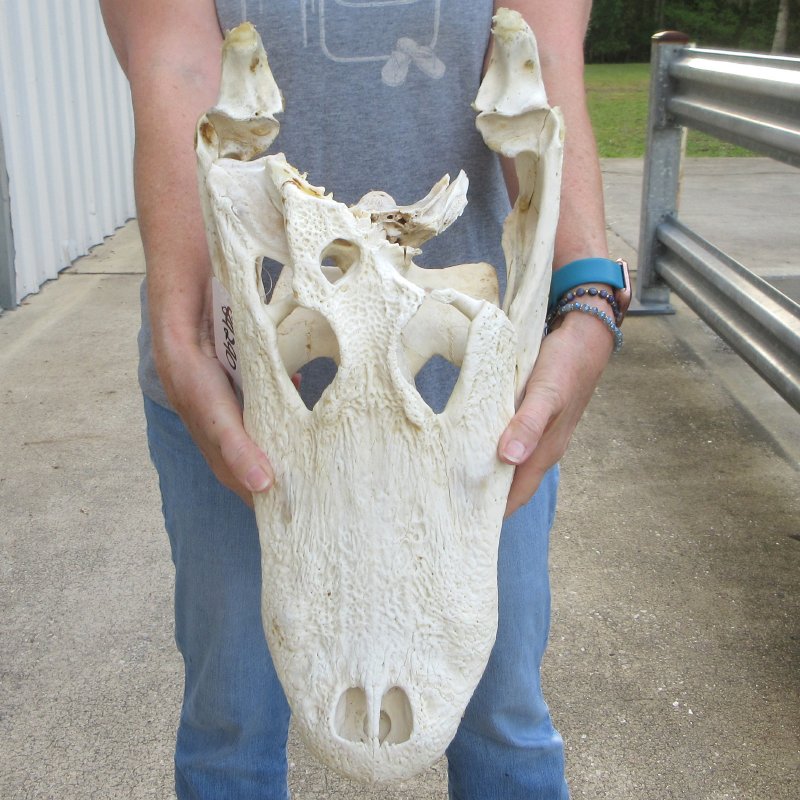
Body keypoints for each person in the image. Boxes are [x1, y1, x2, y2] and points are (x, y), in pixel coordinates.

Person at [100, 1, 617, 797]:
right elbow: (178, 64)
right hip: (239, 381)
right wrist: (182, 330)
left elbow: (538, 64)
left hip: (475, 396)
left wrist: (588, 293)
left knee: (503, 710)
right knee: (232, 711)